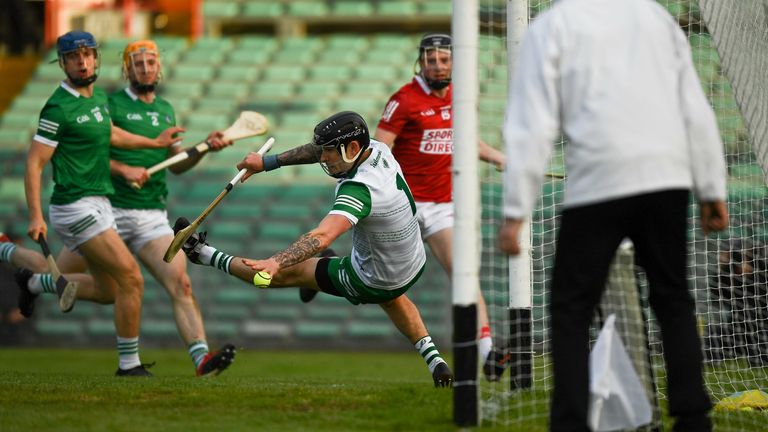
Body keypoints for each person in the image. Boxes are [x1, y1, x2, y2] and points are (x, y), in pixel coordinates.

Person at [497, 0, 730, 430]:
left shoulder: (553, 25)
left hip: (598, 182)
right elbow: (694, 106)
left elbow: (532, 124)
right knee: (673, 298)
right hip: (665, 176)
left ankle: (570, 422)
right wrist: (711, 187)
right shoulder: (655, 17)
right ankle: (693, 418)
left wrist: (515, 211)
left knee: (571, 309)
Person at [177, 111, 454, 387]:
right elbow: (313, 151)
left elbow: (322, 235)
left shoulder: (360, 189)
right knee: (393, 296)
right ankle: (435, 361)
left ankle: (201, 253)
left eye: (330, 152)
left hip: (370, 278)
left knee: (287, 274)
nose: (324, 158)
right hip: (413, 261)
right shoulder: (376, 148)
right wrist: (267, 162)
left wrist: (276, 262)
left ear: (352, 148)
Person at [50, 39, 237, 377]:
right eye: (138, 64)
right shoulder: (110, 104)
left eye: (151, 63)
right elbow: (89, 153)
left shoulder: (165, 109)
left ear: (158, 68)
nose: (146, 69)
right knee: (57, 276)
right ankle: (29, 279)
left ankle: (202, 360)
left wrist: (205, 147)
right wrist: (124, 170)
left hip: (151, 216)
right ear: (127, 70)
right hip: (107, 211)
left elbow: (177, 164)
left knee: (181, 284)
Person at [25, 30, 180, 377]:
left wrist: (156, 143)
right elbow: (34, 163)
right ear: (62, 63)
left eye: (87, 55)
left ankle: (35, 282)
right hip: (74, 206)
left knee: (109, 291)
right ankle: (129, 365)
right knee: (132, 278)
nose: (81, 63)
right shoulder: (58, 107)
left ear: (96, 58)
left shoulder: (96, 98)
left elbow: (111, 133)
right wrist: (35, 214)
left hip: (100, 203)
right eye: (73, 57)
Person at [351, 33, 504, 380]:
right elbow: (379, 148)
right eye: (431, 60)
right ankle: (327, 266)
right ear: (420, 63)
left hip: (440, 206)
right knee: (377, 282)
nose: (438, 66)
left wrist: (498, 157)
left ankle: (487, 354)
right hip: (402, 206)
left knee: (464, 272)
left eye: (444, 60)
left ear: (454, 63)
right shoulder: (404, 100)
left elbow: (466, 140)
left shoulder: (461, 98)